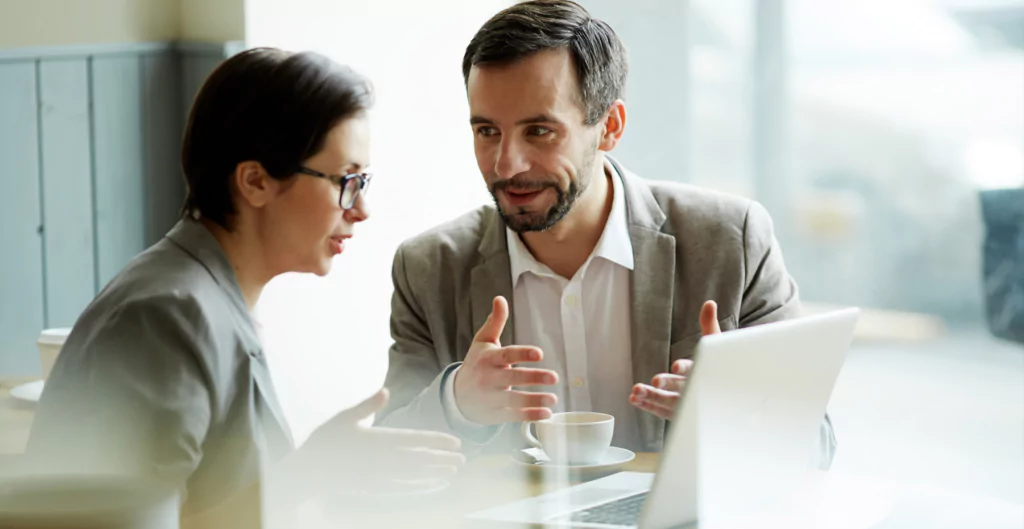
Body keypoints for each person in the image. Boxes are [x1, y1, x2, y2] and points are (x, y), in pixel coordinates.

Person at [375, 0, 835, 467]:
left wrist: (740, 416)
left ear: (609, 126)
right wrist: (457, 404)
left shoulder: (730, 241)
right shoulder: (429, 267)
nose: (506, 164)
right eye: (487, 131)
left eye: (538, 131)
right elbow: (386, 459)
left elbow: (814, 445)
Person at [26, 47, 464, 526]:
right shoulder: (166, 316)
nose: (361, 210)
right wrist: (314, 472)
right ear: (255, 182)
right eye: (346, 180)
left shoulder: (206, 295)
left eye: (363, 181)